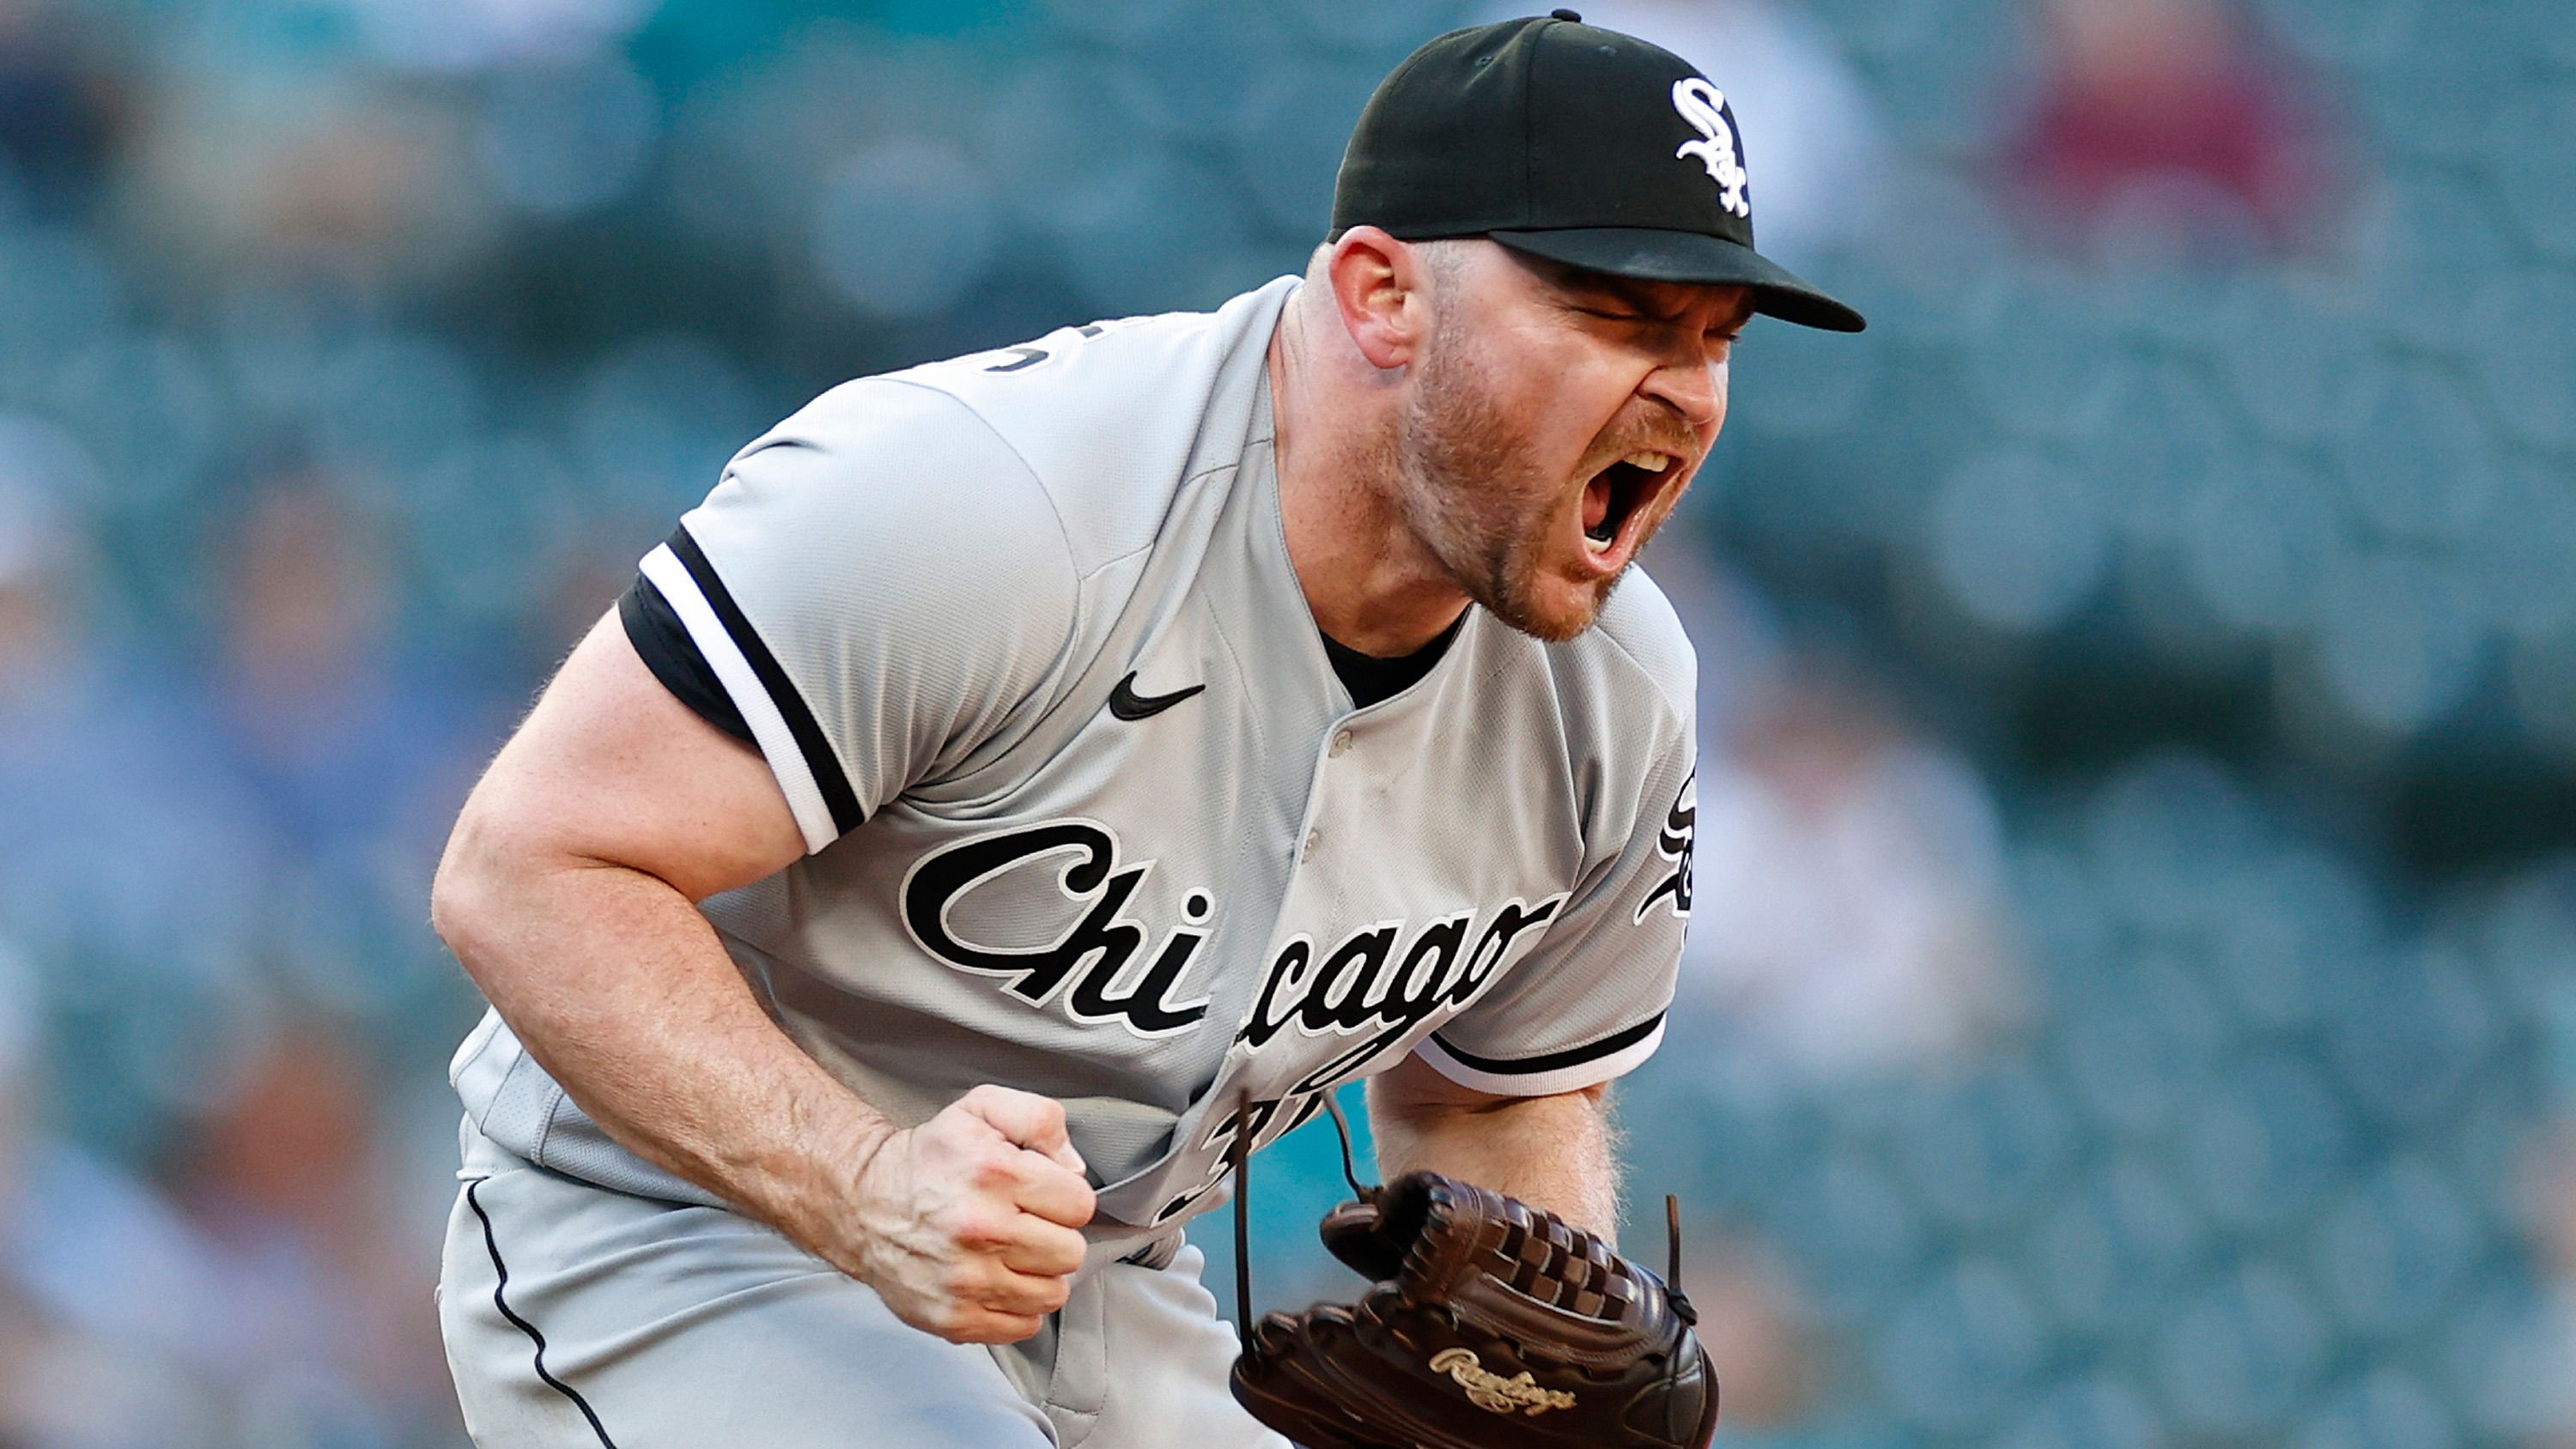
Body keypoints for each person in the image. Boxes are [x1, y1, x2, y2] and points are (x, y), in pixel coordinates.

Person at [428, 11, 1862, 1447]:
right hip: (688, 1216)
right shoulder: (998, 505)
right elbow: (529, 866)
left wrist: (1520, 1370)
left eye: (1713, 338)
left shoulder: (1614, 695)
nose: (1683, 387)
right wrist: (863, 1188)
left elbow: (1501, 1097)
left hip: (1106, 1285)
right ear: (1382, 298)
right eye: (1614, 317)